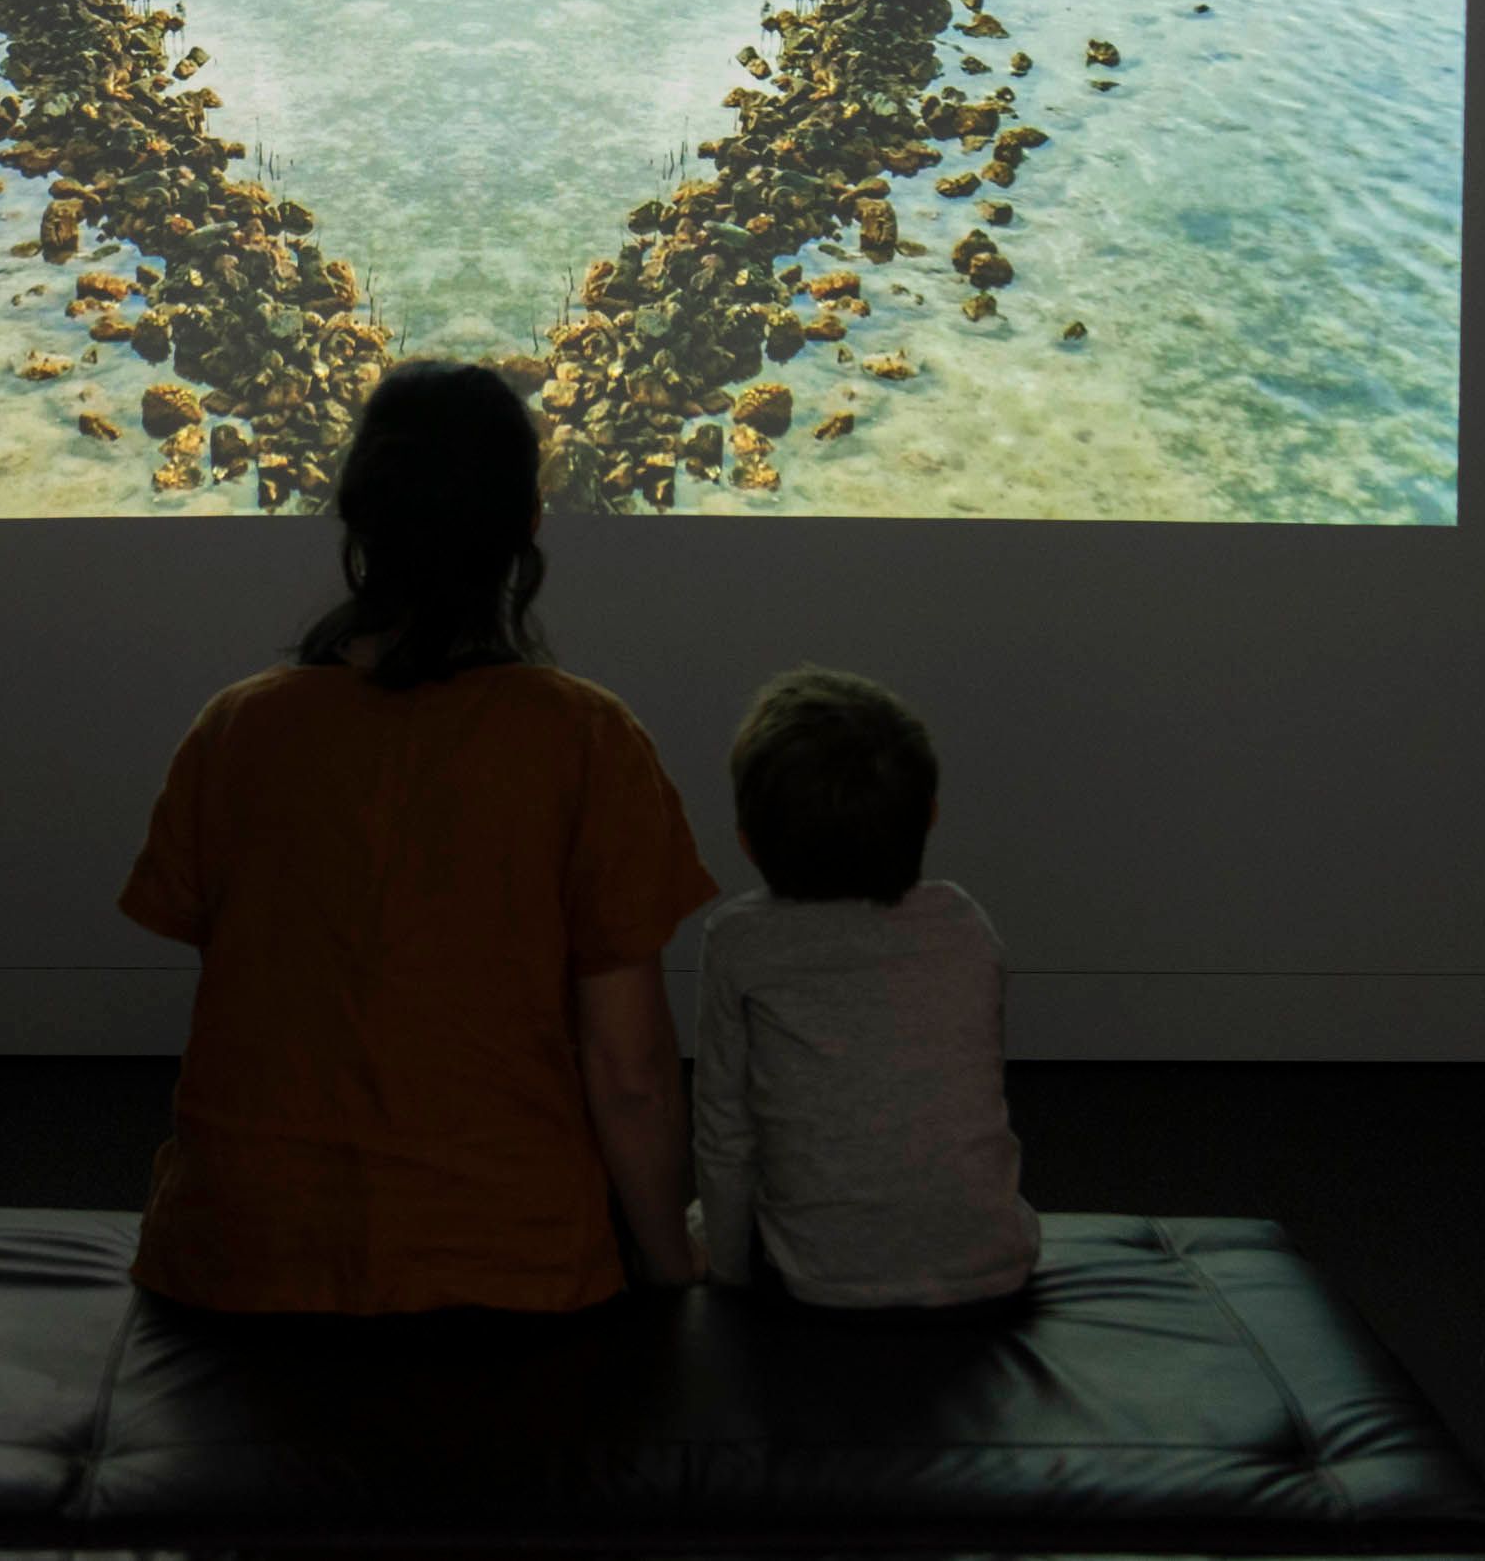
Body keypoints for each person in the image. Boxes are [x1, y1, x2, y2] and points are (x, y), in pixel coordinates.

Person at [118, 360, 718, 1312]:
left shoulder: (236, 728)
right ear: (527, 527)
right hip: (511, 1270)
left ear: (361, 522)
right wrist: (668, 1269)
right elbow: (632, 1073)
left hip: (237, 1263)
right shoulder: (587, 739)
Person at [691, 666, 1039, 1309]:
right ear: (930, 815)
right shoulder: (963, 920)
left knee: (696, 1216)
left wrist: (728, 1275)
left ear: (746, 843)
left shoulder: (738, 938)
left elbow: (724, 1131)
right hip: (995, 1267)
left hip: (815, 1282)